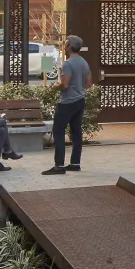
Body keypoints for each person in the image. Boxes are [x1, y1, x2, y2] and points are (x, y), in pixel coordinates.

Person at [44, 34, 92, 173]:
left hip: (67, 102)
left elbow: (64, 84)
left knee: (58, 131)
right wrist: (79, 87)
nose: (64, 46)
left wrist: (55, 87)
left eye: (65, 44)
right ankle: (75, 163)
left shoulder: (68, 63)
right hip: (80, 100)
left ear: (70, 47)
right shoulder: (84, 62)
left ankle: (59, 165)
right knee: (76, 132)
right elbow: (89, 84)